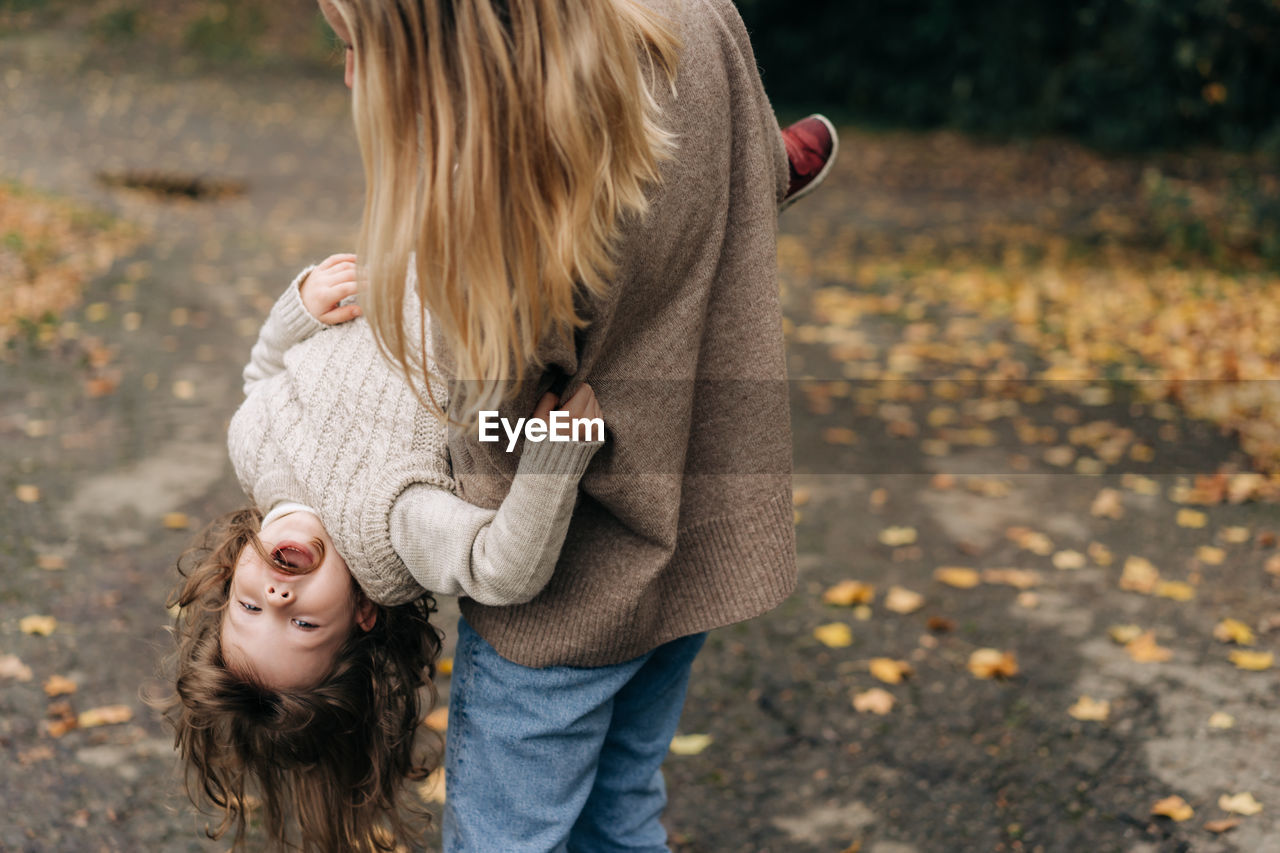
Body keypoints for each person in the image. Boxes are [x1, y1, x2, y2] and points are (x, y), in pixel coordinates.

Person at [314, 1, 837, 849]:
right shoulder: (698, 21)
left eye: (355, 47)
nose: (347, 74)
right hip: (686, 548)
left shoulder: (496, 197)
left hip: (568, 599)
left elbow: (497, 452)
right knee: (620, 815)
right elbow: (756, 181)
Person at [157, 253, 605, 852]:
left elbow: (259, 381)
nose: (277, 595)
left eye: (251, 609)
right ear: (362, 615)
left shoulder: (253, 457)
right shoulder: (389, 532)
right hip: (488, 286)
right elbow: (497, 571)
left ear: (229, 580)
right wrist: (551, 462)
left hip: (415, 248)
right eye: (303, 622)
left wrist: (297, 313)